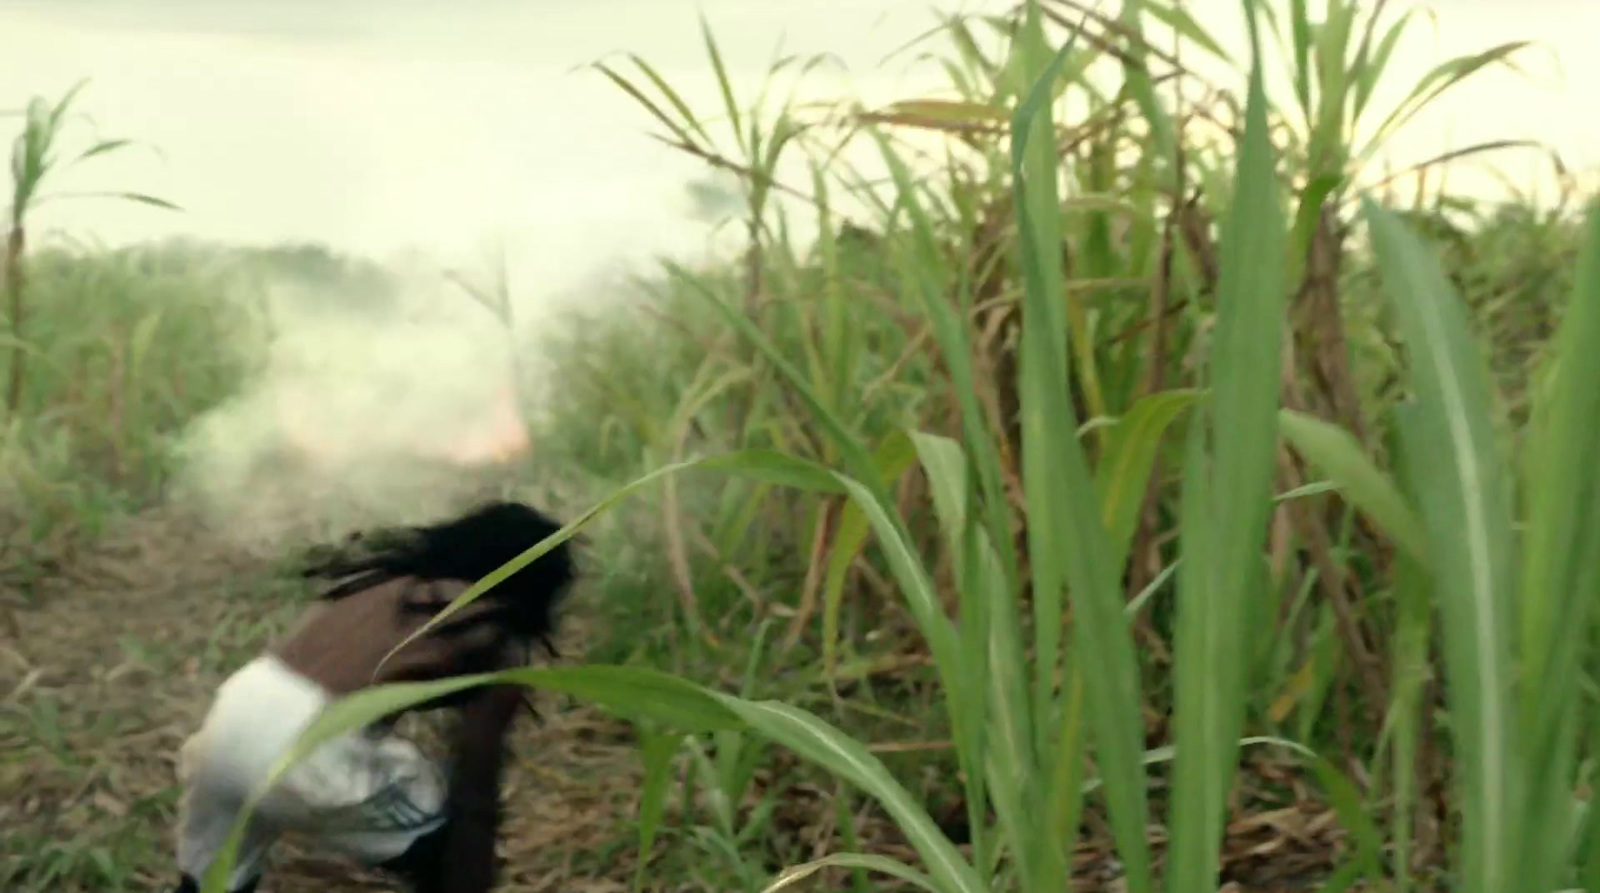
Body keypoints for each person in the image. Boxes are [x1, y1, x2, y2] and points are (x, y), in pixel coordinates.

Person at [169, 500, 575, 893]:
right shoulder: (495, 635)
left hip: (235, 711)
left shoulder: (382, 585)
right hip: (305, 741)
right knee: (445, 846)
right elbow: (476, 787)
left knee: (212, 881)